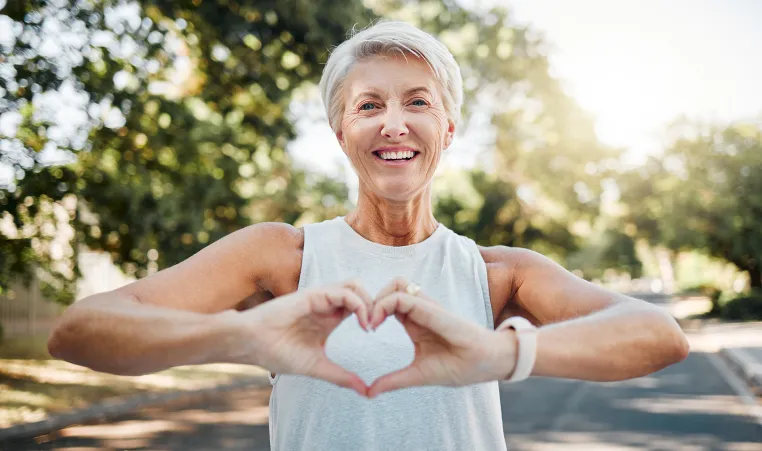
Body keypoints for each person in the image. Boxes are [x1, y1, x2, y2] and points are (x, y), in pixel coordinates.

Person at [48, 20, 690, 451]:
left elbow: (660, 336)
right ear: (340, 134)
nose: (393, 124)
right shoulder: (280, 257)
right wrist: (244, 335)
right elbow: (79, 331)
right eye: (368, 105)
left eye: (417, 102)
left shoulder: (498, 273)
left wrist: (500, 354)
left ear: (447, 129)